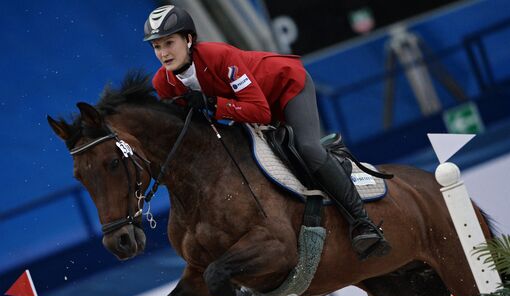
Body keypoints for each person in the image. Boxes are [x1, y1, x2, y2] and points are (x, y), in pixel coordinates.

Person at [143, 5, 390, 259]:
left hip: (286, 88)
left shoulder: (220, 56)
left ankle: (362, 223)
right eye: (156, 47)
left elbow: (260, 112)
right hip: (242, 111)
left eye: (169, 43)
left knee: (308, 148)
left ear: (189, 39)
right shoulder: (163, 84)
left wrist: (214, 104)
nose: (163, 53)